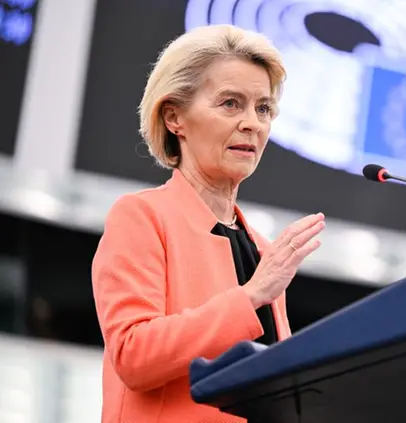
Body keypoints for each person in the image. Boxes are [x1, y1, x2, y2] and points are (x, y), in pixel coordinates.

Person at [91, 24, 325, 423]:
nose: (252, 123)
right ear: (174, 117)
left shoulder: (264, 250)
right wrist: (250, 297)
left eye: (263, 108)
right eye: (231, 103)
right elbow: (133, 355)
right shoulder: (142, 216)